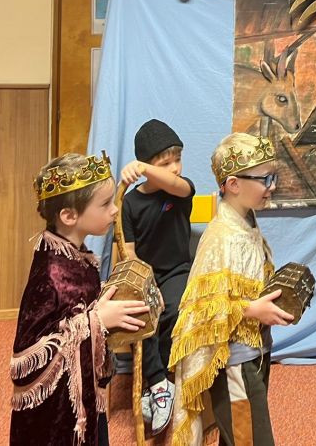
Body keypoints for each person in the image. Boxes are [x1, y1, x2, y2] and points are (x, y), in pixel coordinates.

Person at [10, 153, 149, 446]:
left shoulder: (74, 255)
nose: (115, 210)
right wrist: (97, 319)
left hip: (86, 399)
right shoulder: (53, 274)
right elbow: (25, 358)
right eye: (105, 204)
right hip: (59, 420)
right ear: (69, 216)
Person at [169, 133, 293, 446]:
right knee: (250, 438)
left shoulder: (247, 221)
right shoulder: (221, 238)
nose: (271, 186)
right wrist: (252, 309)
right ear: (234, 184)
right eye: (265, 179)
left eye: (273, 177)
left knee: (237, 435)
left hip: (256, 351)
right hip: (234, 361)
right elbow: (201, 309)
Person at [120, 119, 196, 435]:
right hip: (145, 274)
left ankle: (161, 378)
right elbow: (128, 251)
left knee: (174, 309)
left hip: (178, 270)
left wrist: (144, 168)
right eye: (165, 163)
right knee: (144, 312)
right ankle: (157, 384)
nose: (175, 168)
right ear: (148, 164)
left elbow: (177, 184)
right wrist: (146, 285)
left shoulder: (181, 190)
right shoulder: (129, 202)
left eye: (178, 159)